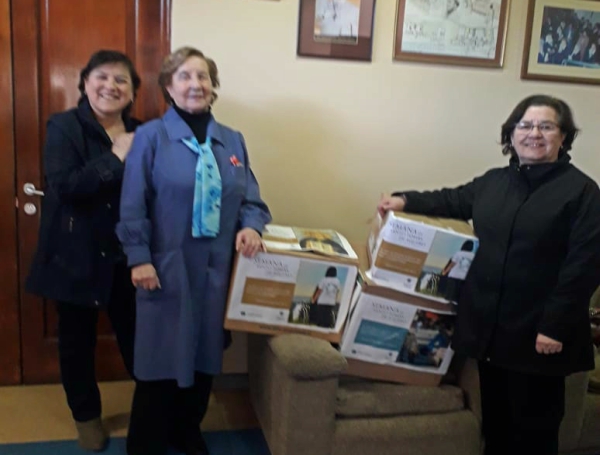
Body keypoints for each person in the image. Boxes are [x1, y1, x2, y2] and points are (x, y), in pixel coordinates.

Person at [377, 94, 600, 455]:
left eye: (546, 126)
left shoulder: (583, 192)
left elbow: (584, 265)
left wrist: (555, 326)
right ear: (511, 134)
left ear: (563, 136)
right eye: (525, 125)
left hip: (540, 334)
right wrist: (403, 200)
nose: (534, 133)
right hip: (491, 330)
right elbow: (452, 199)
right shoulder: (494, 181)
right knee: (496, 426)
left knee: (534, 432)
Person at [116, 46, 271, 455]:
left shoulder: (232, 141)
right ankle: (146, 443)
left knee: (205, 358)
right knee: (159, 361)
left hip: (217, 271)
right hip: (165, 267)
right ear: (169, 87)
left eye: (203, 76)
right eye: (184, 76)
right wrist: (139, 258)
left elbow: (251, 200)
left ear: (213, 87)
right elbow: (132, 204)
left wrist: (251, 227)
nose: (195, 84)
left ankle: (186, 431)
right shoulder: (150, 137)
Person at [26, 50, 142, 451]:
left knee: (138, 337)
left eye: (121, 80)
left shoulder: (143, 132)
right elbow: (67, 186)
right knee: (77, 343)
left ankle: (151, 411)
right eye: (102, 77)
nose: (111, 86)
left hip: (128, 254)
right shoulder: (64, 126)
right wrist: (116, 157)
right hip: (74, 253)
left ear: (132, 92)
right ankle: (86, 417)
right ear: (86, 83)